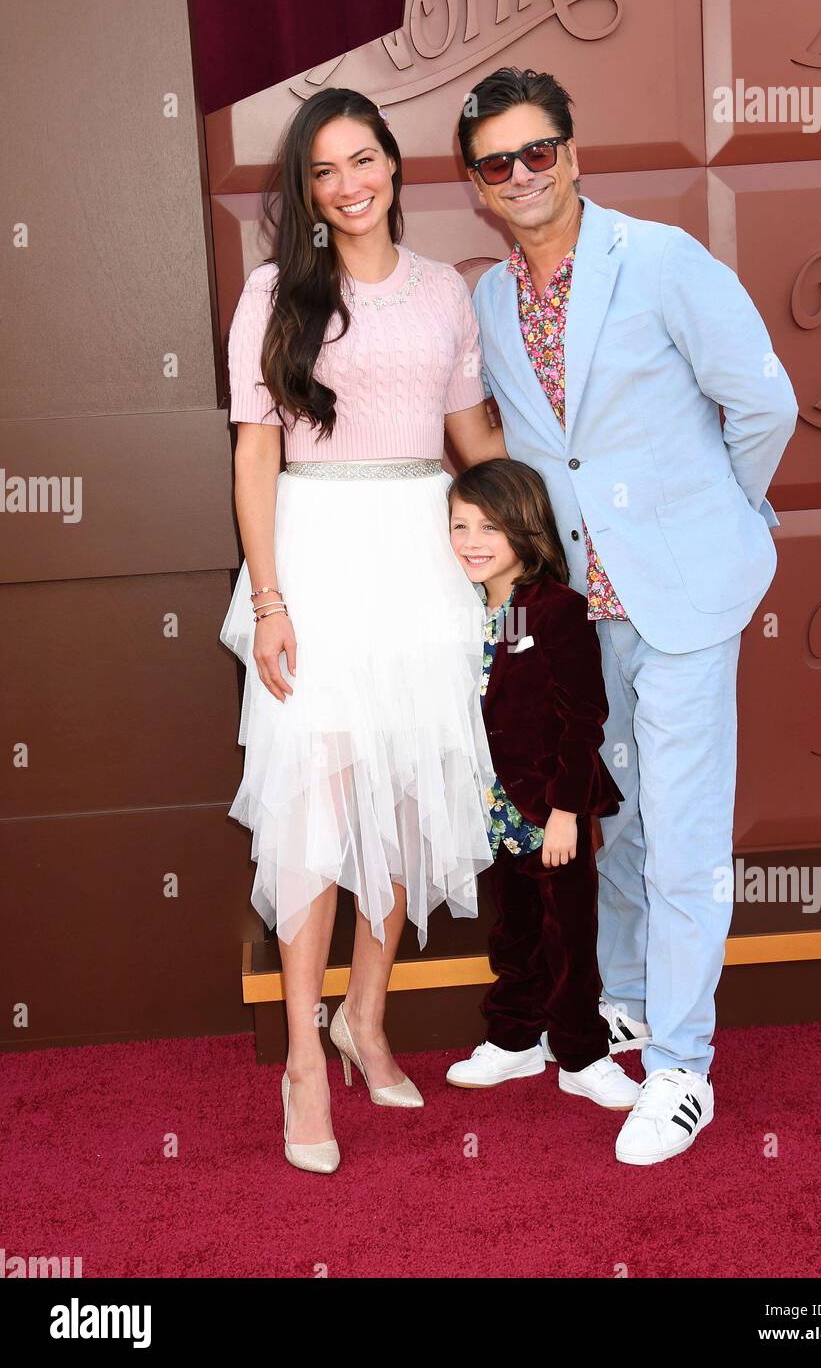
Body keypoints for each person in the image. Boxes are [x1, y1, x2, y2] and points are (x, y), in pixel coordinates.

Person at [456, 67, 798, 1165]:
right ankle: (636, 1000)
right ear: (475, 182)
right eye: (495, 162)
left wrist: (720, 515)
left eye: (537, 151)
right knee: (621, 813)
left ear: (571, 149)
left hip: (685, 593)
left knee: (688, 830)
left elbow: (763, 402)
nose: (520, 176)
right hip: (582, 613)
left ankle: (685, 1065)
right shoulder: (487, 301)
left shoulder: (659, 260)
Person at [219, 88, 506, 1173]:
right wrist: (269, 598)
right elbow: (255, 454)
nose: (349, 185)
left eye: (364, 160)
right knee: (315, 811)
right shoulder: (274, 293)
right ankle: (304, 1058)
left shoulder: (445, 293)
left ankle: (366, 1019)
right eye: (325, 171)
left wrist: (543, 529)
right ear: (305, 191)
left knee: (401, 796)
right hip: (317, 558)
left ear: (394, 162)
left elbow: (471, 435)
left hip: (421, 557)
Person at [444, 459, 637, 1111]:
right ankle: (514, 1040)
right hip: (492, 808)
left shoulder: (553, 610)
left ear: (524, 531)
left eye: (489, 527)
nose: (471, 541)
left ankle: (582, 1053)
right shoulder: (458, 609)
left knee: (567, 932)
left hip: (550, 804)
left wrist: (563, 810)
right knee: (514, 927)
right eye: (459, 525)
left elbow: (583, 718)